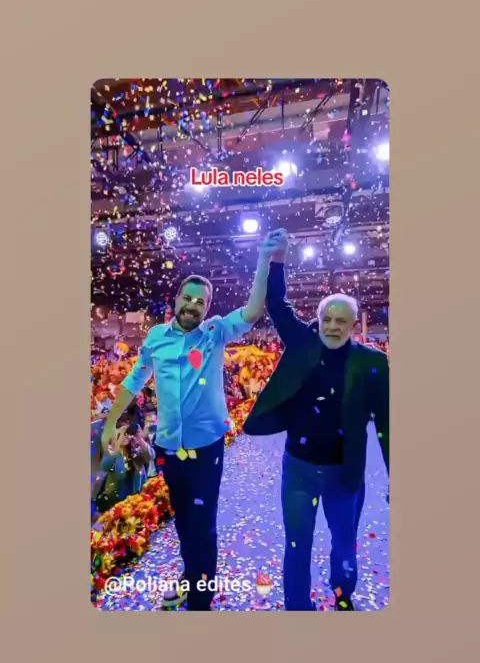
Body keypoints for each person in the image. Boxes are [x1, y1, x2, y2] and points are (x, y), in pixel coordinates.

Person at [101, 231, 281, 611]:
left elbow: (252, 310)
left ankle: (201, 595)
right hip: (169, 446)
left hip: (206, 447)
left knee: (203, 522)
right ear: (176, 299)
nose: (193, 305)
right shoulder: (156, 337)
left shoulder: (215, 332)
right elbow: (134, 380)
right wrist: (109, 423)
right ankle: (190, 574)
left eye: (201, 301)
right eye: (188, 298)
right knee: (183, 519)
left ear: (208, 307)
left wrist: (265, 258)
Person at [243, 229, 389, 611]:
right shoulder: (303, 343)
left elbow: (388, 424)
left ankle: (343, 596)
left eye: (342, 321)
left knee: (344, 545)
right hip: (299, 470)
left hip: (346, 473)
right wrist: (277, 260)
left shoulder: (372, 363)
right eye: (328, 319)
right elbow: (277, 304)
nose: (333, 327)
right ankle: (297, 608)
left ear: (353, 325)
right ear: (319, 319)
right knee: (297, 544)